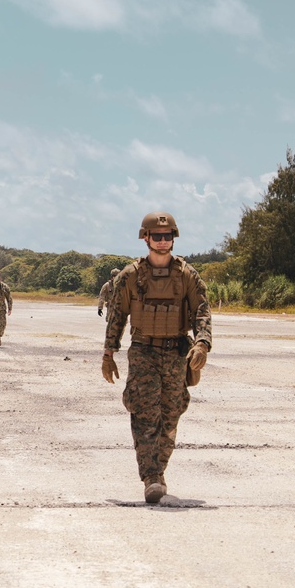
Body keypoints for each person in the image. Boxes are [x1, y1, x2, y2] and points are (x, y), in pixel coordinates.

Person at [102, 212, 212, 504]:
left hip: (176, 352)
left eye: (168, 236)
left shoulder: (187, 274)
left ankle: (159, 469)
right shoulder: (131, 275)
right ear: (146, 238)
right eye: (157, 236)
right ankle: (151, 477)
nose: (163, 241)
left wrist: (202, 343)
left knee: (171, 416)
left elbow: (202, 310)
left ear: (173, 238)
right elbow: (117, 315)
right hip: (143, 352)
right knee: (144, 414)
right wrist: (108, 351)